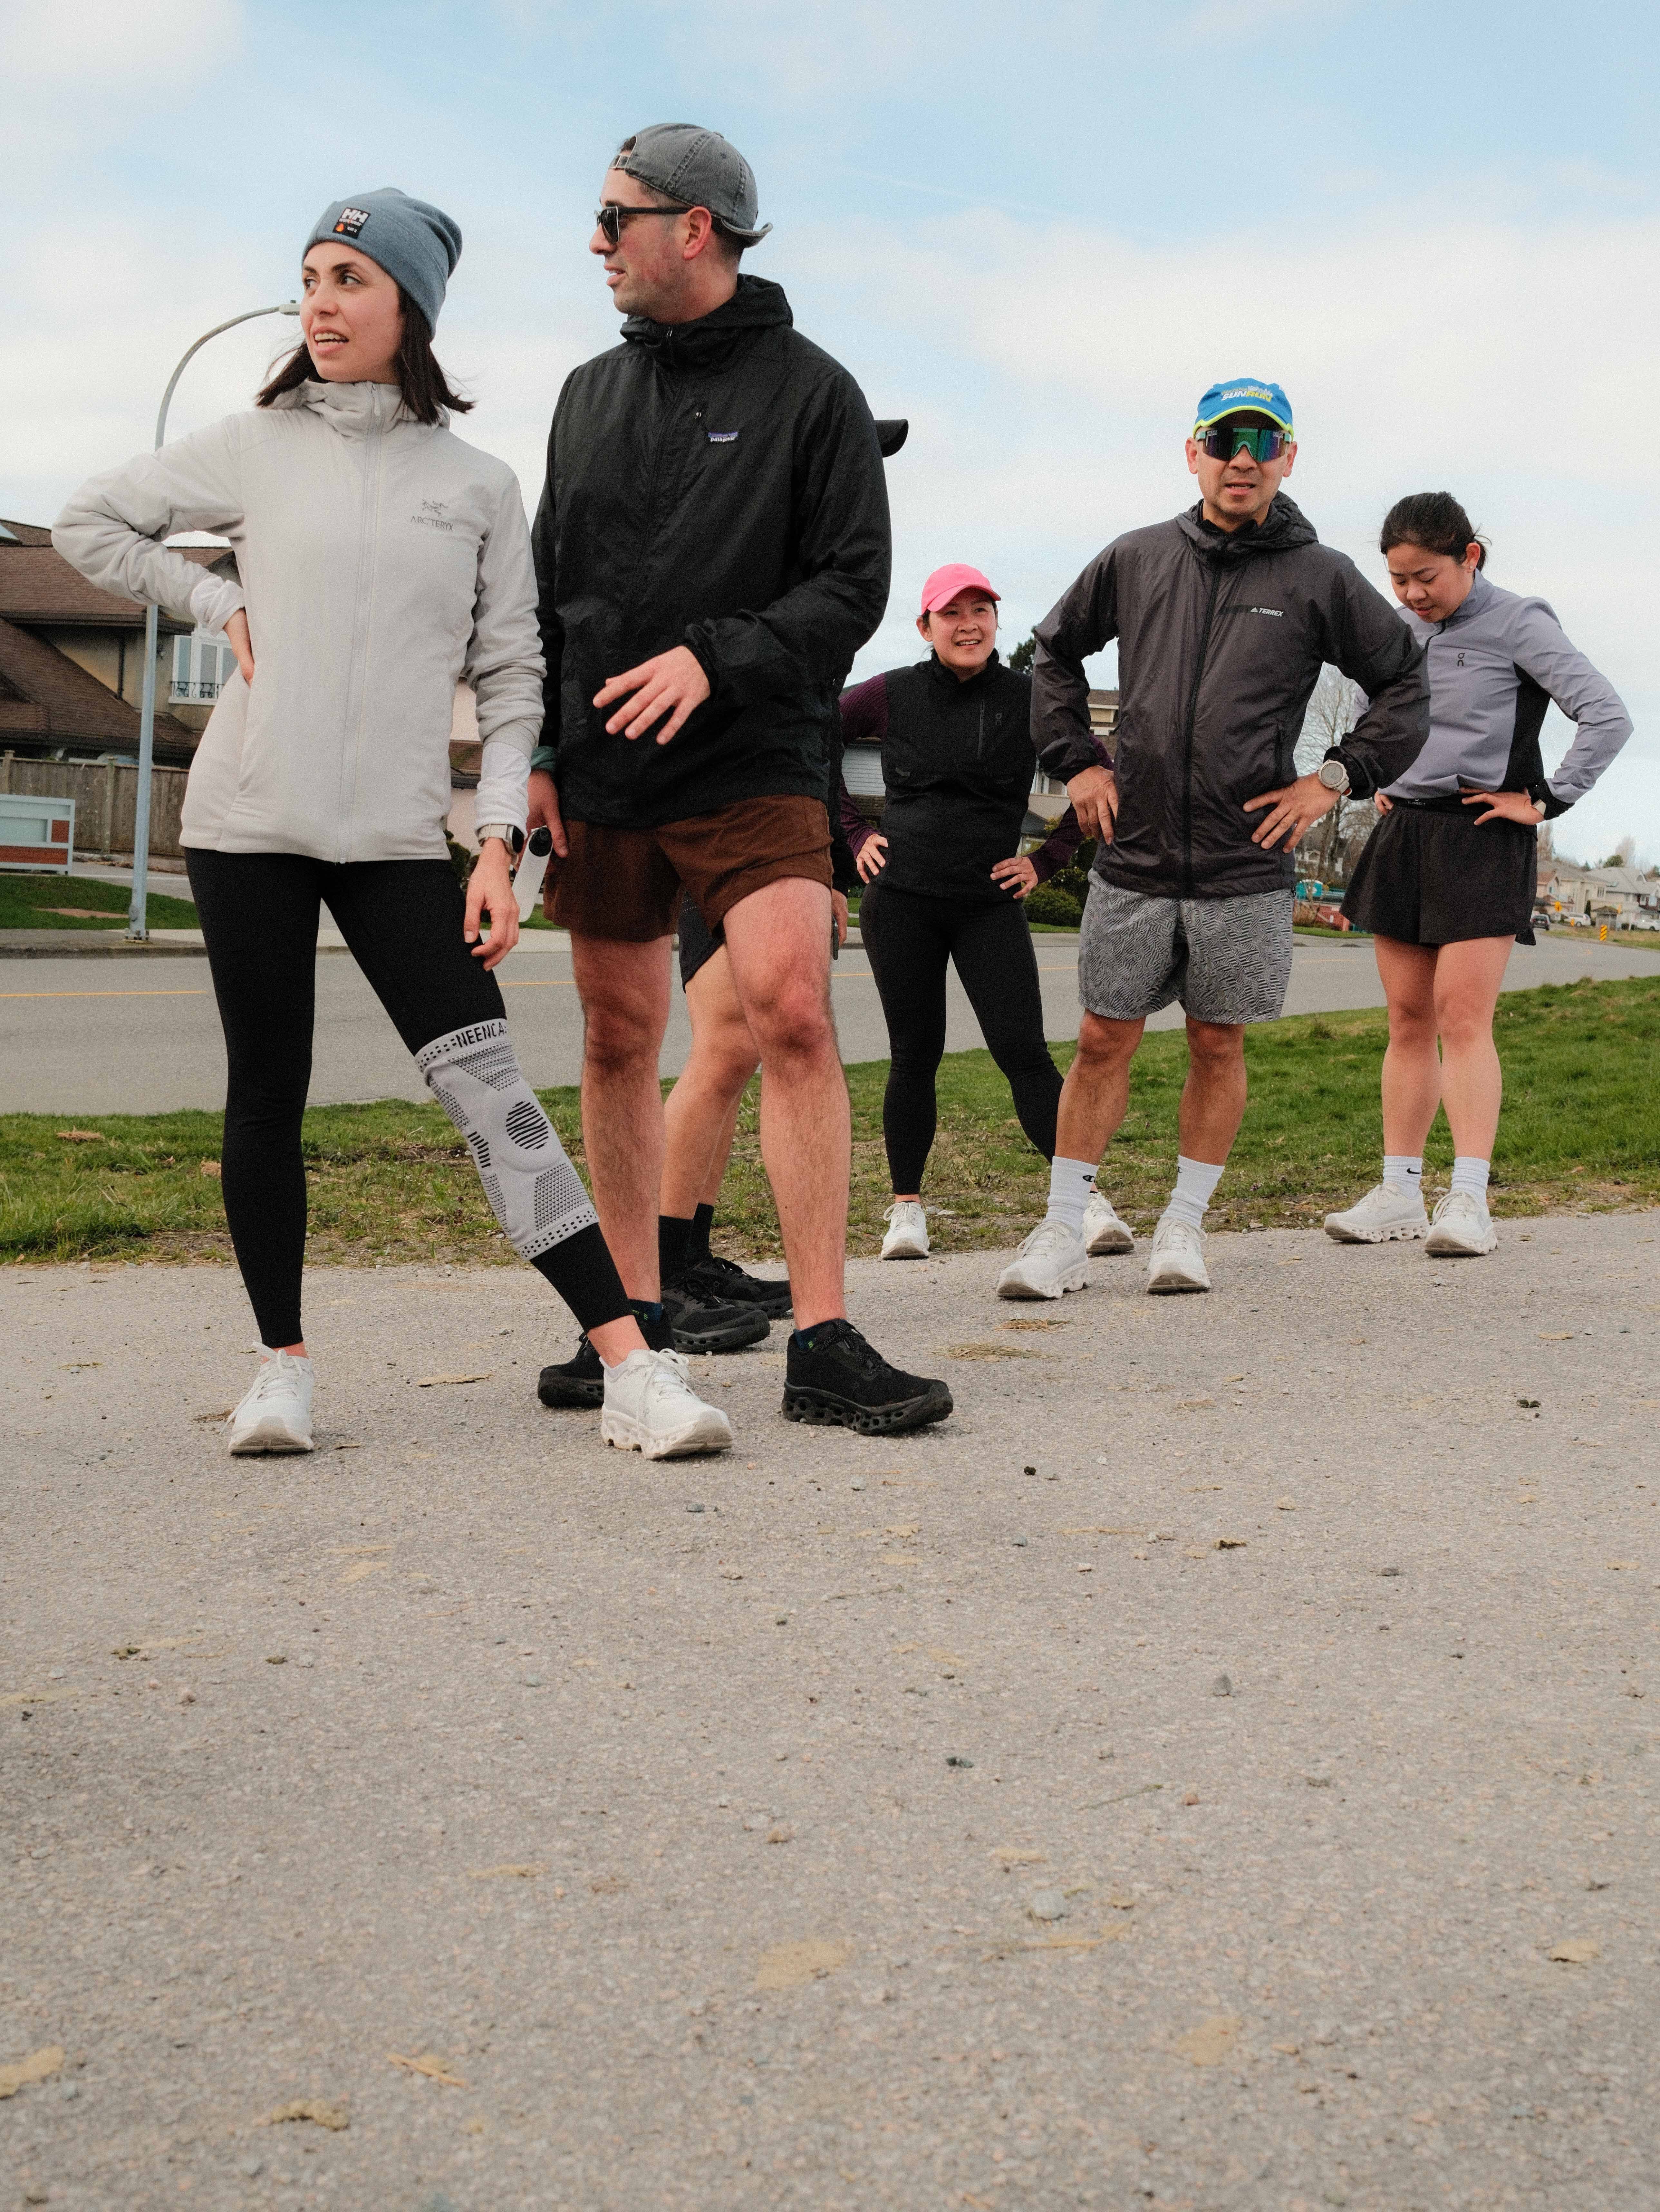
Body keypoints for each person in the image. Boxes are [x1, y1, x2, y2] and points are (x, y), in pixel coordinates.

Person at [53, 188, 730, 1462]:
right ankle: (281, 1372)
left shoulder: (475, 484)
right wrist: (209, 603)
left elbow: (515, 679)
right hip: (248, 823)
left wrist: (497, 844)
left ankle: (633, 1369)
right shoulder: (253, 445)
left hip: (400, 844)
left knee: (493, 1099)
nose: (319, 301)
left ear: (408, 306)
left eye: (349, 280)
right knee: (268, 1093)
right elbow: (94, 521)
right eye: (310, 276)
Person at [528, 125, 950, 1436]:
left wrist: (718, 660)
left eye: (615, 218)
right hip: (603, 767)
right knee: (613, 1035)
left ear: (692, 227)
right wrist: (540, 752)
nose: (595, 242)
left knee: (790, 1014)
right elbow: (550, 593)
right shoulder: (585, 395)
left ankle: (822, 1338)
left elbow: (852, 587)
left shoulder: (813, 393)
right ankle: (634, 1332)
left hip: (754, 756)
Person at [999, 375, 1431, 1299]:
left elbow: (1404, 688)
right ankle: (1063, 1231)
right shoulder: (1137, 557)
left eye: (1264, 440)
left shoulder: (1321, 577)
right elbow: (1053, 653)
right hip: (1136, 853)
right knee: (1102, 1040)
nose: (1244, 456)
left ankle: (1183, 1229)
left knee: (1217, 1044)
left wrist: (1335, 778)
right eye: (1224, 438)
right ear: (1192, 451)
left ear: (1289, 457)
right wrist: (1077, 761)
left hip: (1245, 863)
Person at [1325, 492, 1632, 1257]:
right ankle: (1397, 1191)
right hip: (1404, 830)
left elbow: (1605, 713)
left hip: (1482, 833)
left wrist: (1547, 799)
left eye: (1424, 576)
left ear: (1469, 557)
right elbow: (1376, 711)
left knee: (1461, 1019)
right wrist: (1376, 771)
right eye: (1396, 579)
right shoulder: (1394, 629)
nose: (1410, 594)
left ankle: (1466, 1201)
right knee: (1405, 1021)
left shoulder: (1520, 621)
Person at [837, 564, 1105, 1261]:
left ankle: (1084, 1202)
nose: (968, 624)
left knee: (1023, 1054)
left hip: (987, 907)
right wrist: (853, 833)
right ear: (924, 627)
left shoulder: (1029, 699)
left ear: (994, 622)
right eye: (950, 613)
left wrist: (1045, 861)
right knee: (912, 1057)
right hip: (901, 905)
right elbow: (813, 740)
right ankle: (905, 1212)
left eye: (980, 610)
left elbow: (1094, 771)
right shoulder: (889, 693)